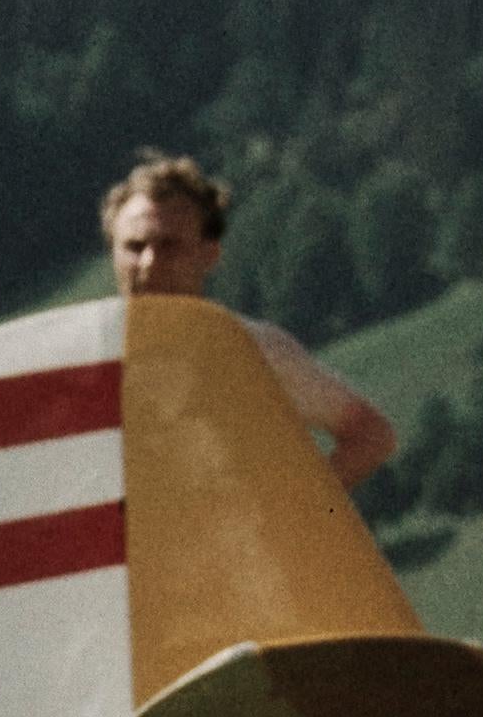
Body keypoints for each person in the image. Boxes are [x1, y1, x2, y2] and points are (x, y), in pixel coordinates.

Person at [101, 154, 394, 490]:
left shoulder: (250, 350)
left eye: (170, 245)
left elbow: (370, 435)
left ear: (208, 254)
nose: (150, 263)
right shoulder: (85, 358)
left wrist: (290, 518)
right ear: (113, 252)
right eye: (134, 247)